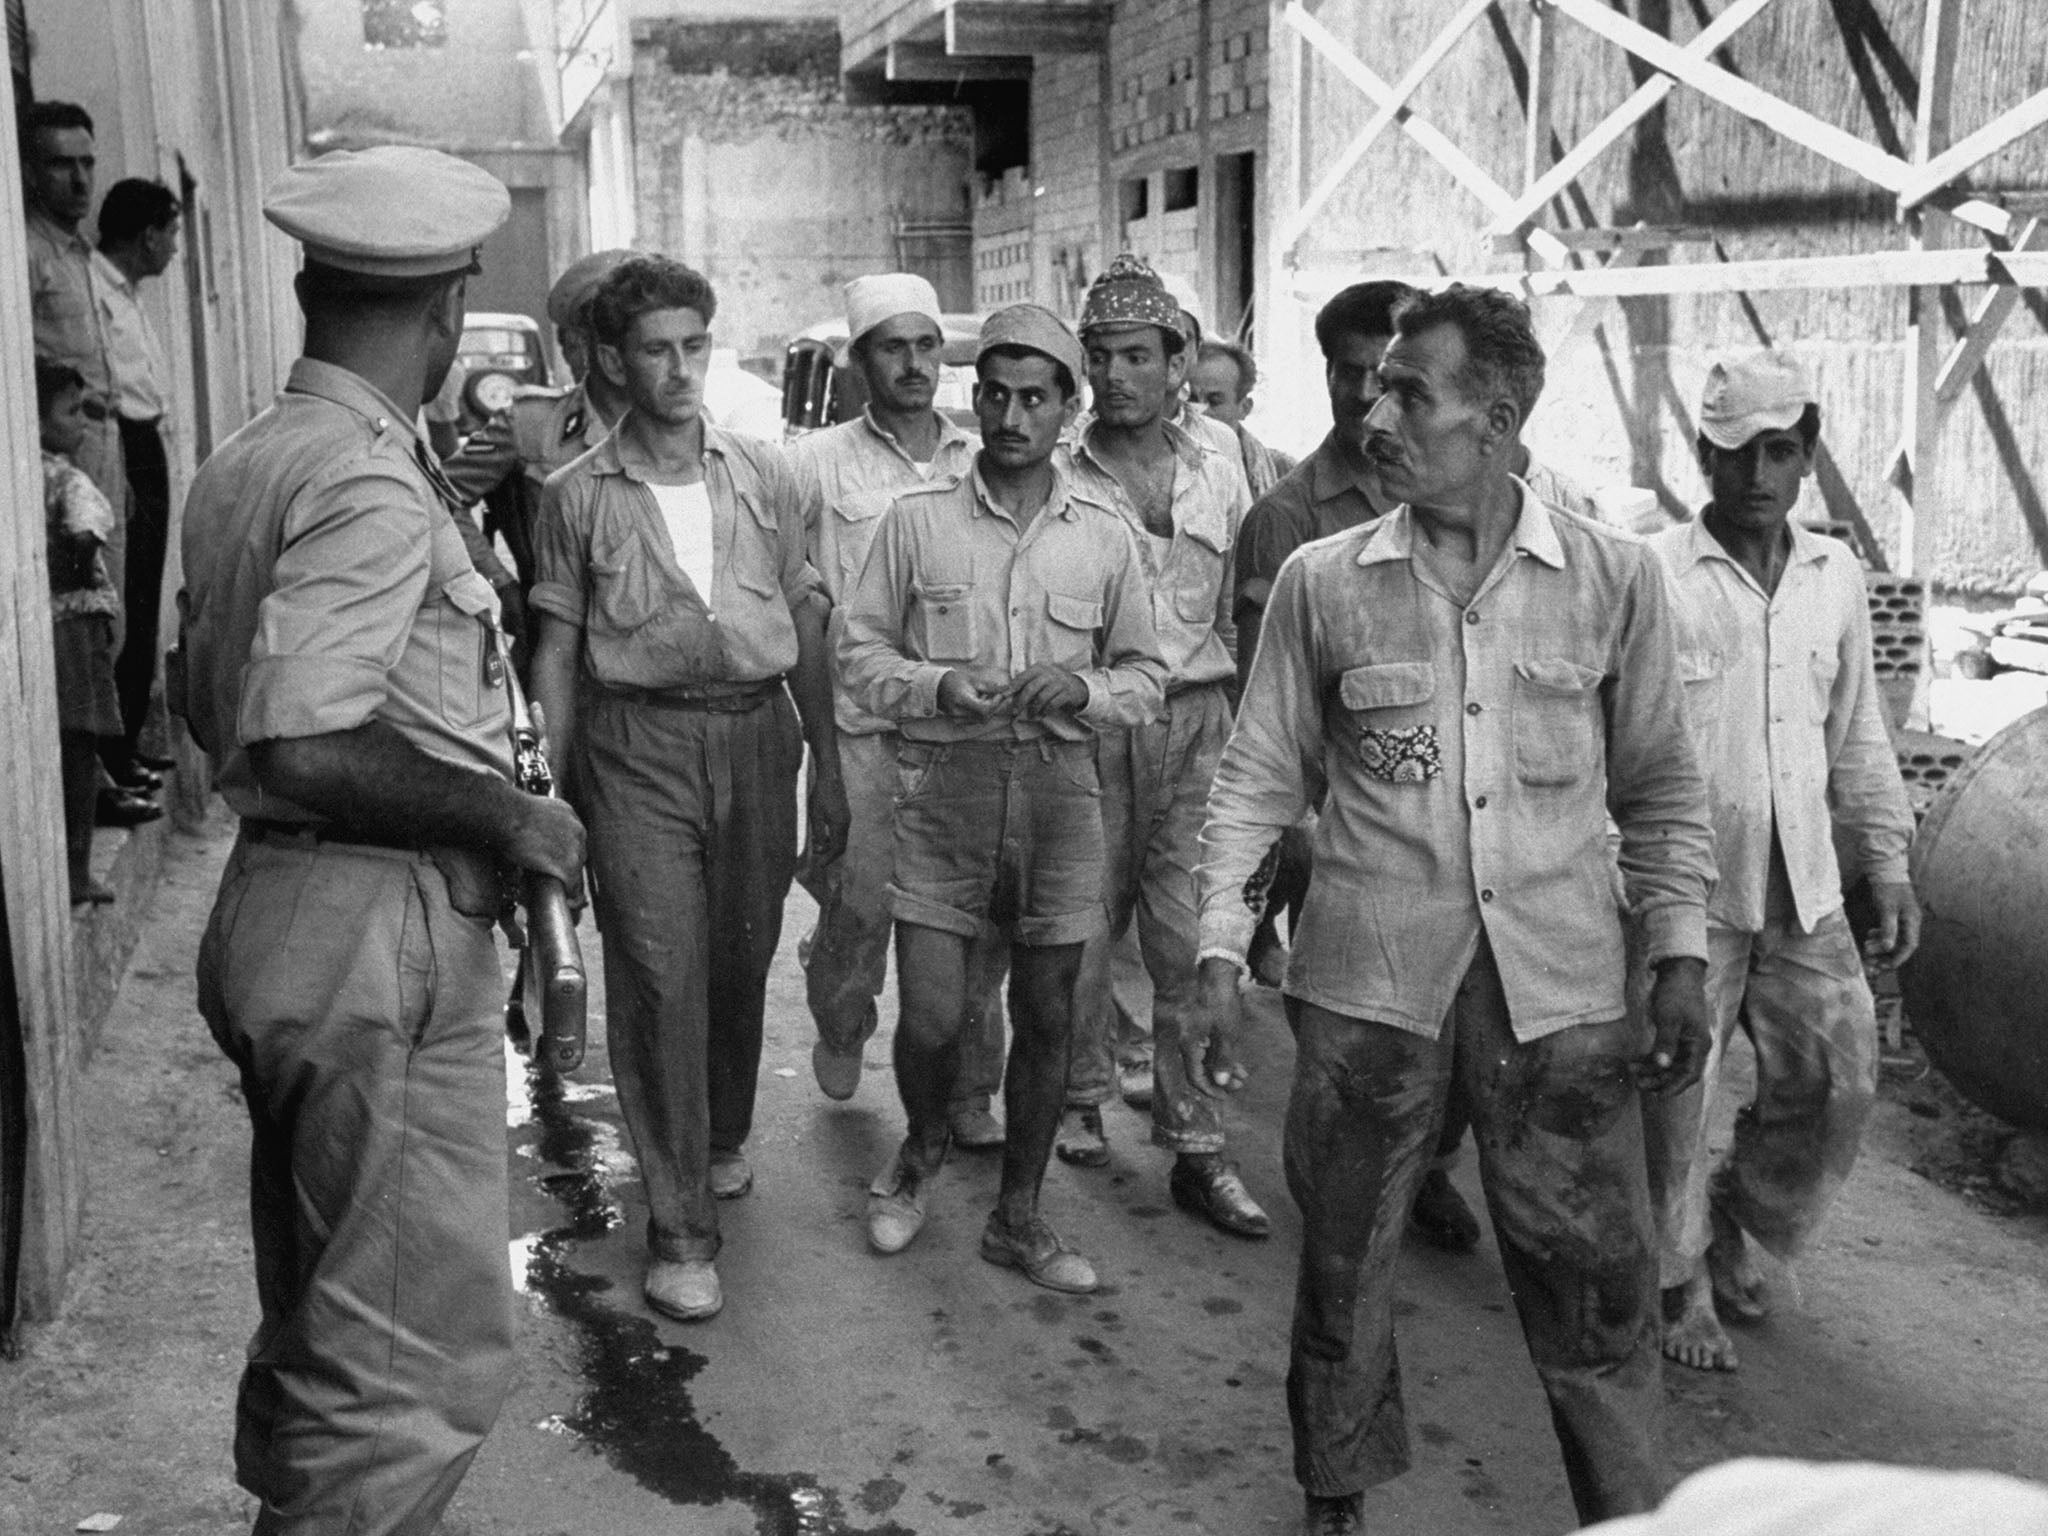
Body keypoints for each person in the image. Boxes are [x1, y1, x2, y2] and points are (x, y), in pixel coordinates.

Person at [1191, 284, 1716, 1534]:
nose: (1376, 414)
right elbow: (1256, 775)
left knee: (1596, 1286)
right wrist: (1217, 945)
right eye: (1374, 388)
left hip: (1561, 997)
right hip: (1370, 989)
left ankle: (1626, 1516)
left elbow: (1660, 789)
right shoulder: (1324, 583)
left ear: (1495, 421)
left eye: (1407, 392)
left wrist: (1682, 955)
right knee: (1341, 1266)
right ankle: (1335, 1496)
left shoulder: (1610, 579)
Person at [177, 145, 587, 1536]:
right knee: (411, 1369)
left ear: (307, 284)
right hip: (373, 925)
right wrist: (509, 814)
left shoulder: (255, 455)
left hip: (287, 913)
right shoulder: (361, 482)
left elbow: (206, 712)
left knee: (334, 1313)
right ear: (449, 309)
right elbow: (298, 739)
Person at [528, 254, 848, 1324]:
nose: (678, 369)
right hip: (634, 751)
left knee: (737, 956)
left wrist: (833, 764)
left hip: (758, 740)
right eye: (656, 350)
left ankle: (715, 1138)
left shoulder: (764, 474)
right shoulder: (575, 497)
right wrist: (550, 799)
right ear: (614, 361)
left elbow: (803, 620)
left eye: (693, 346)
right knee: (660, 973)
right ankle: (676, 1228)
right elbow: (557, 654)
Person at [838, 304, 1166, 1295]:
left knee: (1053, 1017)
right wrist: (937, 686)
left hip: (1064, 795)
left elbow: (1149, 676)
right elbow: (856, 654)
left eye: (1034, 397)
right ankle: (916, 1157)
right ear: (972, 398)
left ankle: (1018, 1218)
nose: (1011, 415)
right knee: (934, 1017)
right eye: (993, 393)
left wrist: (1086, 689)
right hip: (944, 788)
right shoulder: (915, 521)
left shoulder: (1105, 537)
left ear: (1069, 407)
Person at [1644, 352, 1919, 1373]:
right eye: (1731, 454)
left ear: (1804, 456)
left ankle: (1735, 1218)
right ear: (1701, 459)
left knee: (1840, 1077)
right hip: (1687, 889)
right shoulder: (1655, 577)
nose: (1754, 475)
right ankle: (1676, 1282)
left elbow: (1855, 734)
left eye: (1776, 451)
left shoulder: (1832, 573)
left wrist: (1883, 859)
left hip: (1801, 882)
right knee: (1677, 1092)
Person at [1048, 253, 1266, 1239]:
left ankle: (1197, 1144)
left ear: (1178, 360)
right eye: (1100, 356)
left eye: (1136, 355)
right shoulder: (1056, 469)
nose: (1116, 375)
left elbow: (1245, 598)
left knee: (1190, 943)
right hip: (1091, 726)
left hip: (1197, 727)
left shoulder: (1225, 460)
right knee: (1081, 932)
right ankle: (1079, 1094)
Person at [786, 273, 1010, 1145]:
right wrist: (819, 752)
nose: (915, 364)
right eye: (893, 347)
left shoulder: (979, 456)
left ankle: (971, 1091)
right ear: (859, 361)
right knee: (860, 905)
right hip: (867, 729)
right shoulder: (814, 467)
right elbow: (800, 603)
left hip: (965, 728)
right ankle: (842, 1017)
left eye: (926, 345)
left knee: (976, 914)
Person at [442, 248, 632, 625]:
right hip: (558, 637)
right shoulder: (530, 424)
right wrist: (498, 581)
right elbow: (441, 498)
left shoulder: (680, 427)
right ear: (578, 346)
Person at [94, 177, 182, 786]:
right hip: (119, 444)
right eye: (171, 233)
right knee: (125, 601)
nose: (175, 248)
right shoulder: (93, 288)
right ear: (147, 235)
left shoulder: (127, 295)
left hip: (146, 442)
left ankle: (126, 747)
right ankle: (111, 756)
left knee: (146, 596)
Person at [40, 359, 125, 905]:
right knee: (78, 746)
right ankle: (76, 869)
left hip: (45, 625)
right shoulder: (71, 481)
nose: (83, 424)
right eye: (71, 412)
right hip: (73, 630)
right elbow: (82, 544)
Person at [1188, 337, 1296, 501]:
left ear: (1245, 408)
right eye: (1192, 399)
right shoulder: (1161, 465)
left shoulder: (1283, 473)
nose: (1199, 412)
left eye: (1214, 401)